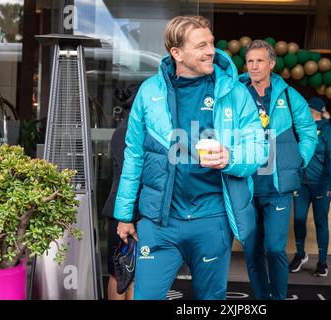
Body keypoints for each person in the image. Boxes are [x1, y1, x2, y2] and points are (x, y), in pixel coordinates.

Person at [113, 15, 268, 300]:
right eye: (200, 45)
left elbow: (259, 148)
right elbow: (133, 155)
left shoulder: (235, 93)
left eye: (210, 42)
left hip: (212, 219)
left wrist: (229, 156)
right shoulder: (149, 92)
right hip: (159, 222)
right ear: (177, 53)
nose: (211, 50)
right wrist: (124, 215)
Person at [239, 40, 318, 300]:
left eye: (259, 60)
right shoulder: (237, 91)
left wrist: (298, 160)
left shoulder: (287, 94)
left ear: (271, 64)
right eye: (250, 61)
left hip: (277, 186)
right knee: (252, 251)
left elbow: (308, 132)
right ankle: (262, 299)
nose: (253, 66)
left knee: (274, 248)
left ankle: (279, 297)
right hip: (246, 185)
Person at [289, 97, 331, 277]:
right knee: (299, 219)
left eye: (306, 109)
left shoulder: (328, 130)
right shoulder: (300, 128)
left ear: (313, 111)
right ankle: (300, 254)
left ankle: (322, 262)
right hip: (301, 184)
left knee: (320, 222)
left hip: (321, 185)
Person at [101, 84, 140, 300]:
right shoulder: (125, 133)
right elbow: (129, 177)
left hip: (131, 210)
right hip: (123, 213)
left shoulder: (131, 131)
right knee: (120, 272)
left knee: (130, 272)